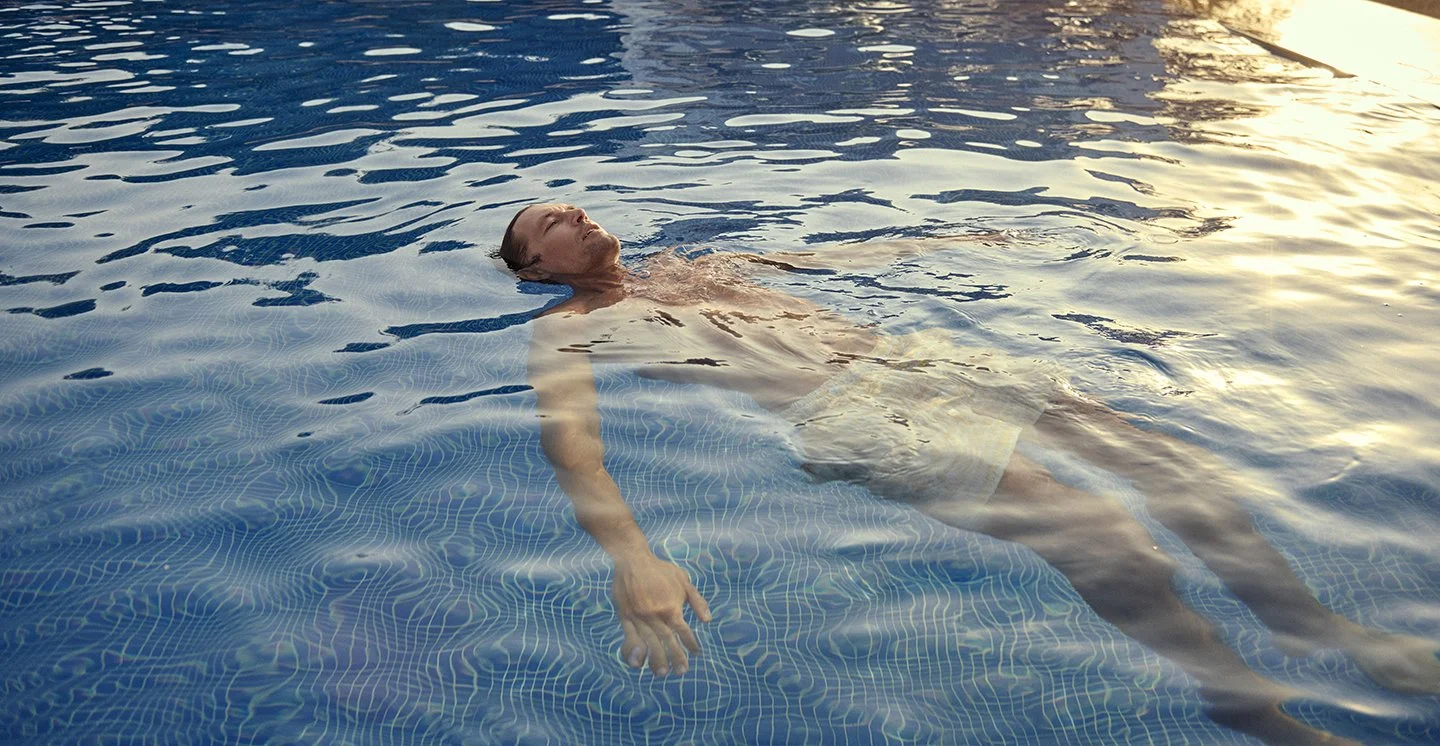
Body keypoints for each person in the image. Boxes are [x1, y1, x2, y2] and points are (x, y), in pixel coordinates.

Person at [498, 202, 1440, 745]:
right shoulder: (567, 329)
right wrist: (631, 555)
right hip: (861, 413)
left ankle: (1311, 625)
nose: (572, 214)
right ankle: (1242, 698)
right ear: (537, 272)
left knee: (1169, 465)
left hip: (919, 360)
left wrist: (971, 242)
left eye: (568, 207)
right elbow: (575, 448)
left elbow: (840, 255)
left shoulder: (692, 265)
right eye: (549, 226)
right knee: (1100, 533)